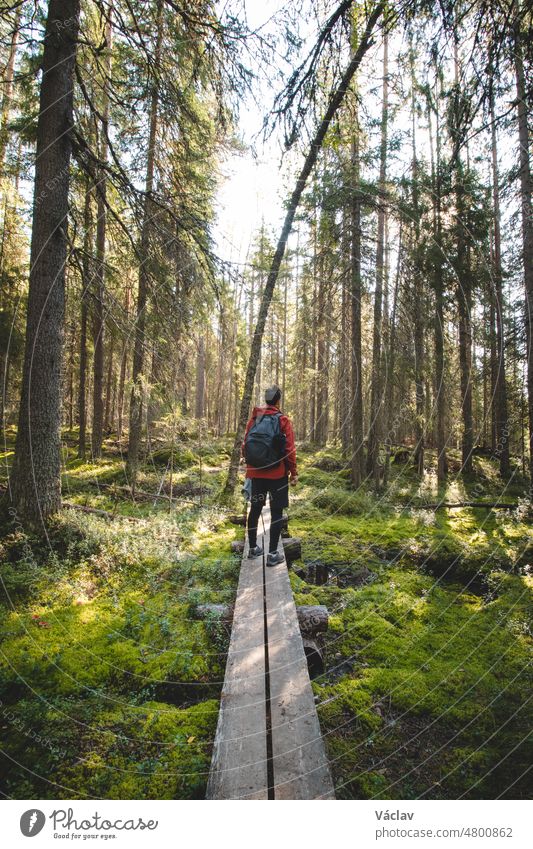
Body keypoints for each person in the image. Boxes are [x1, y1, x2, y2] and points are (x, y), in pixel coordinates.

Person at [241, 385, 298, 566]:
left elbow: (245, 445)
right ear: (278, 400)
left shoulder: (255, 418)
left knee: (255, 509)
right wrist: (294, 473)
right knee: (276, 513)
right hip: (277, 476)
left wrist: (251, 466)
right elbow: (289, 450)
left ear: (266, 399)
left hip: (256, 475)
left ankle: (252, 549)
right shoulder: (283, 420)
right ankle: (273, 554)